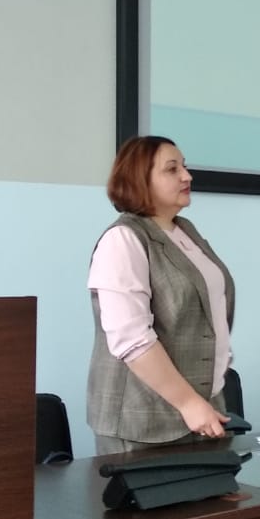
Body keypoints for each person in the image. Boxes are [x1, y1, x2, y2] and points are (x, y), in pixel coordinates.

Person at [86, 135, 234, 454]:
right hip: (143, 421)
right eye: (172, 169)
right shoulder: (122, 239)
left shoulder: (186, 232)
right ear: (139, 179)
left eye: (184, 166)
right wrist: (188, 403)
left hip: (203, 410)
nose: (187, 176)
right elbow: (131, 338)